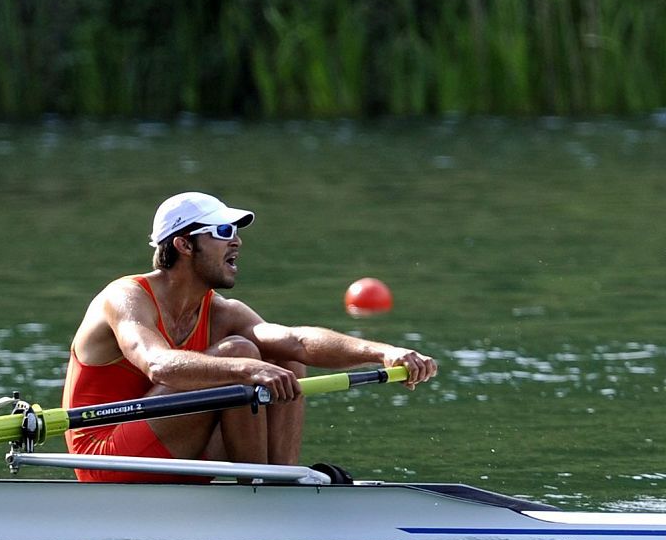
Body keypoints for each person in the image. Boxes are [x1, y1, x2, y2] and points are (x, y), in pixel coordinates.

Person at [62, 191, 437, 482]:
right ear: (184, 244)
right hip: (104, 455)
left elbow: (298, 341)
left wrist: (384, 352)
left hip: (170, 446)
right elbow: (159, 365)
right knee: (243, 355)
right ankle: (258, 487)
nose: (237, 242)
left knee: (284, 358)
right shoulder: (125, 297)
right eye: (223, 232)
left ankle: (278, 482)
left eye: (236, 232)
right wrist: (243, 367)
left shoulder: (222, 311)